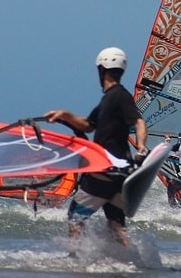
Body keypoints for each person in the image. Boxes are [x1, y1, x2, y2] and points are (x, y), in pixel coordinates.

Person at [46, 47, 148, 246]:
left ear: (101, 69)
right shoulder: (108, 99)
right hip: (120, 173)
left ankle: (76, 257)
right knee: (115, 223)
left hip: (104, 169)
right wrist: (64, 115)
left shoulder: (119, 95)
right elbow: (88, 125)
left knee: (75, 217)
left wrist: (142, 147)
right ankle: (130, 260)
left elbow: (139, 122)